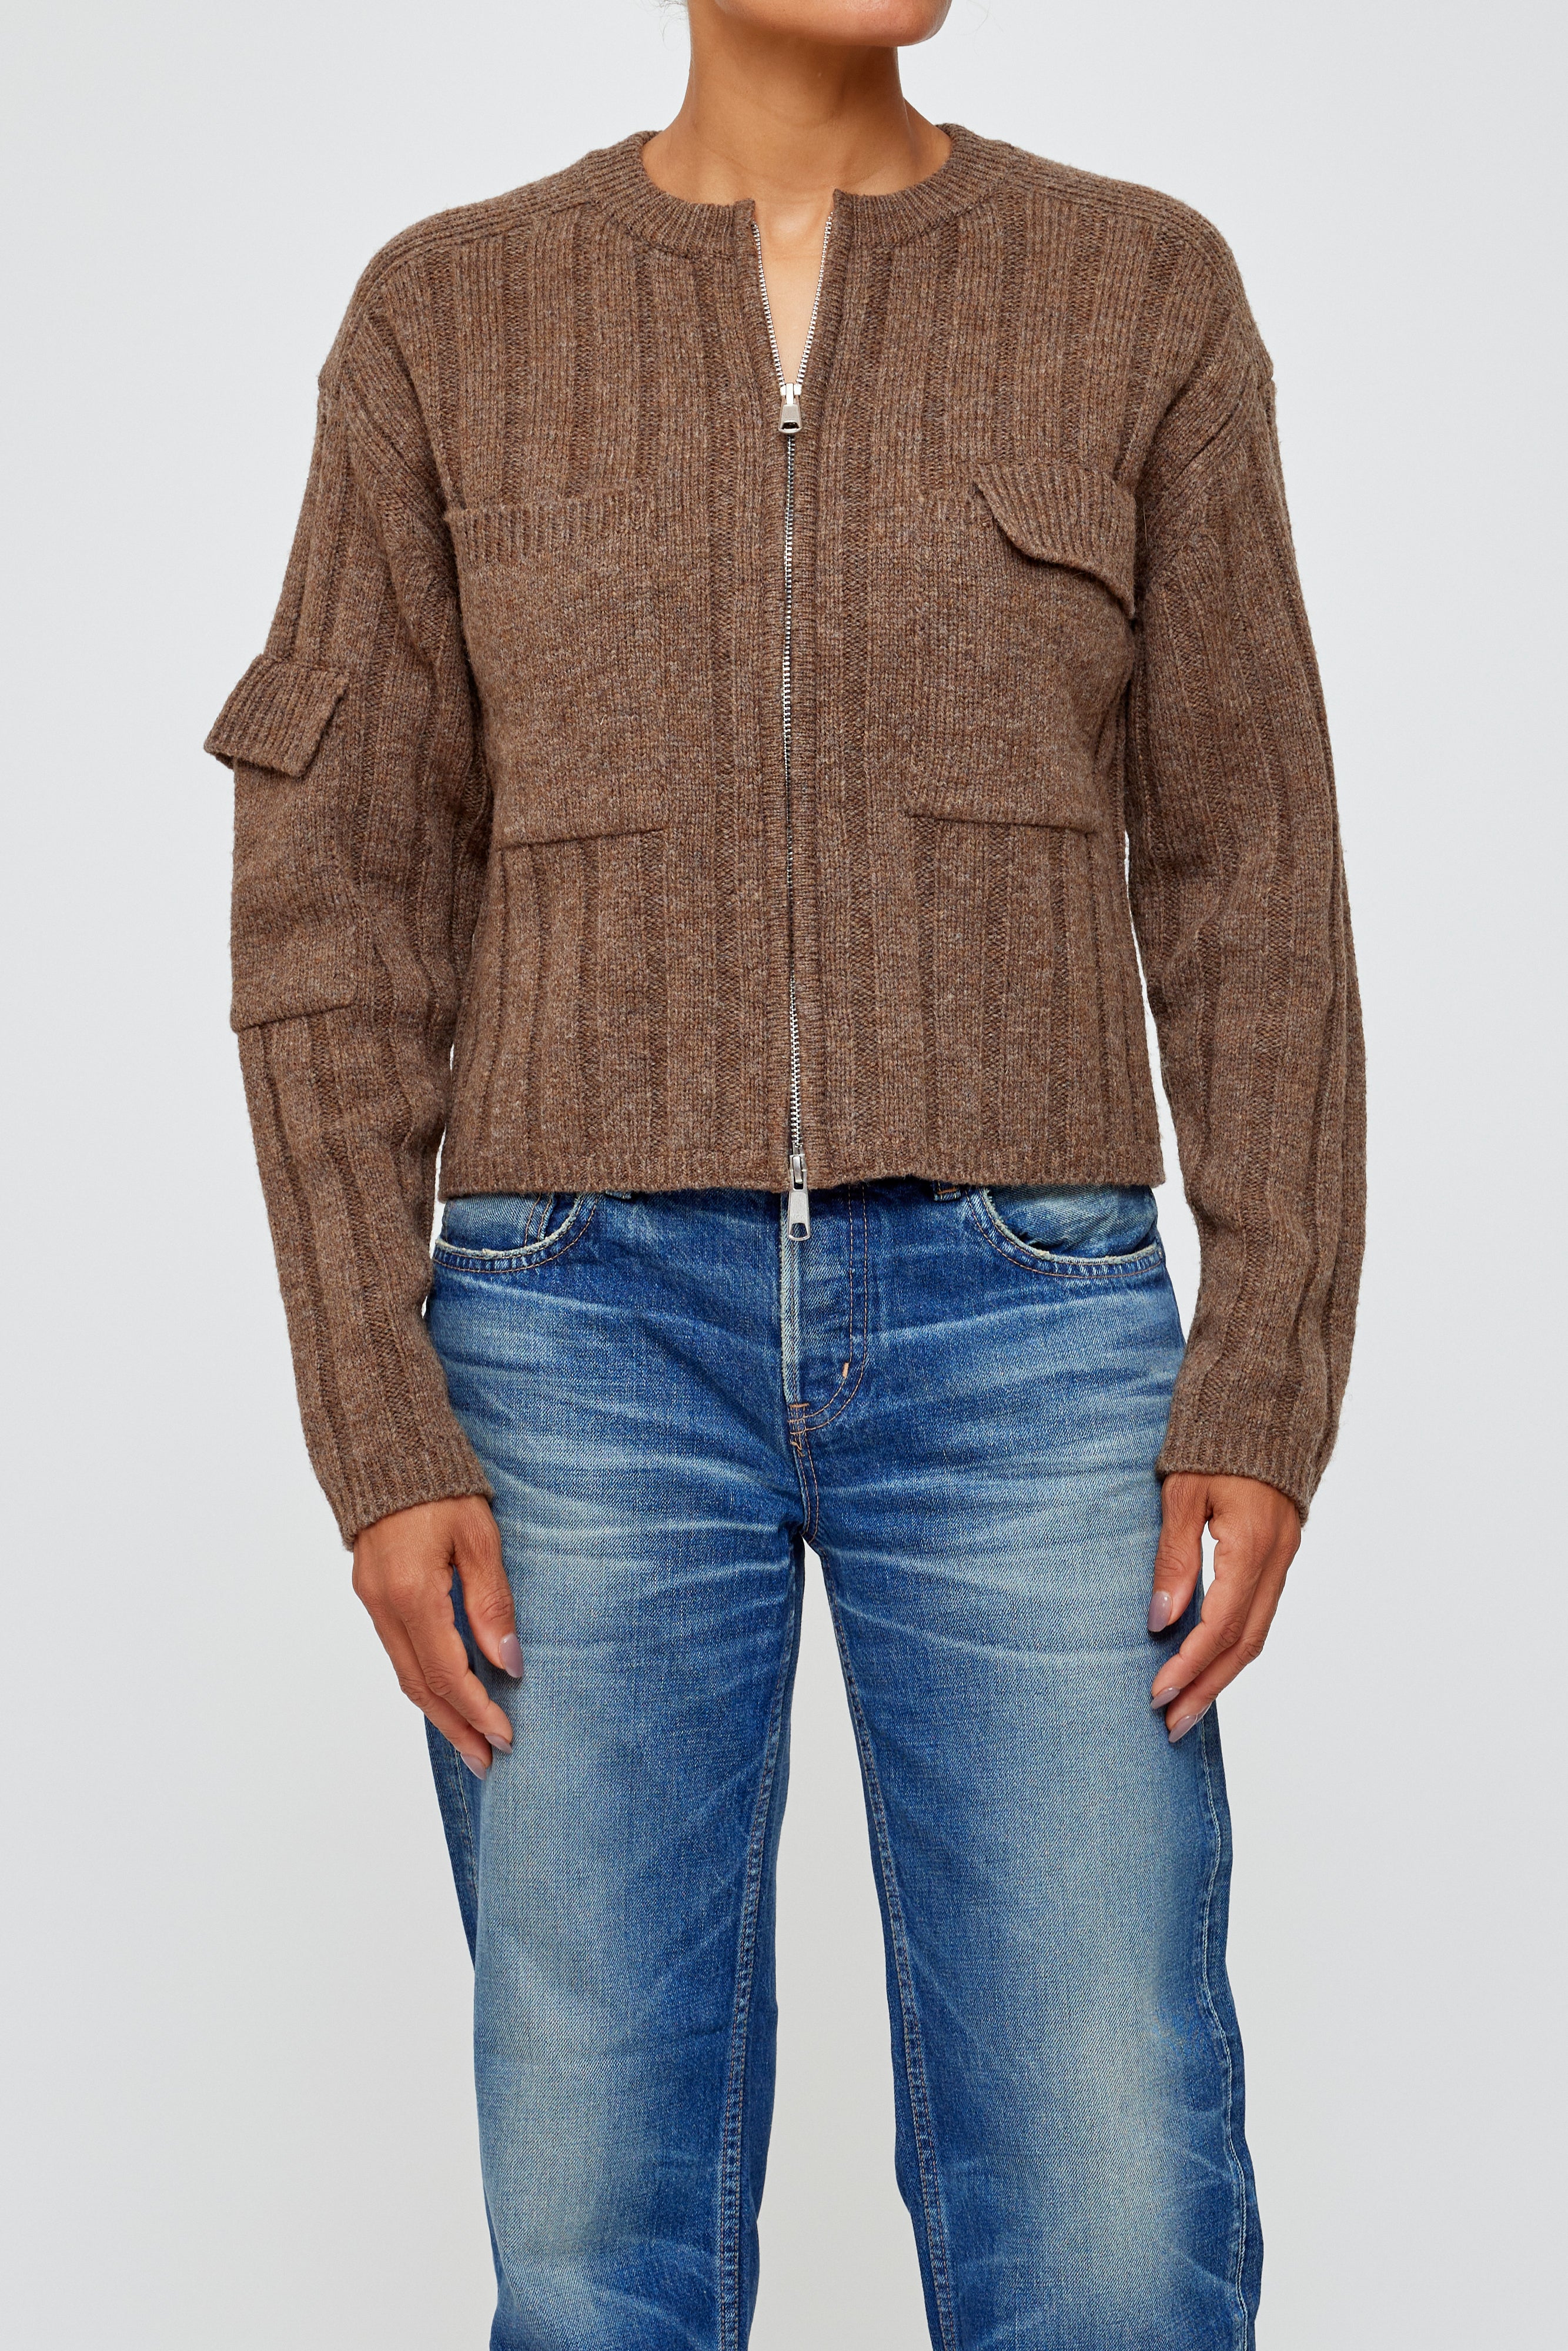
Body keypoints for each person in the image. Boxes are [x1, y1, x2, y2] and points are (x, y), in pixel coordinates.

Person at [206, 1, 1363, 2342]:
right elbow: (333, 907)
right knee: (595, 2230)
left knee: (1110, 2214)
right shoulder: (449, 317)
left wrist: (1266, 1362)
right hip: (571, 1335)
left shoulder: (1140, 291)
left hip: (1031, 1320)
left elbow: (1250, 864)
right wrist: (376, 1417)